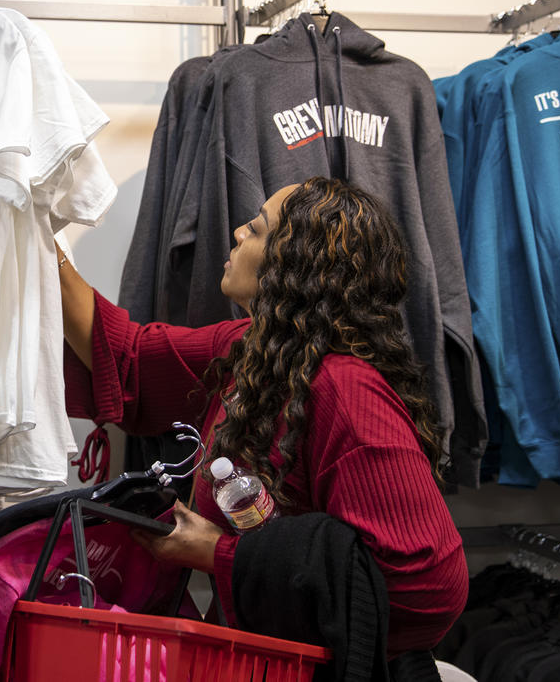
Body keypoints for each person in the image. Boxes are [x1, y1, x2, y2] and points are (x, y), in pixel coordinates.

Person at [59, 176, 468, 657]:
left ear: (295, 265)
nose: (236, 233)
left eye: (255, 228)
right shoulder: (253, 353)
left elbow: (429, 589)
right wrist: (38, 234)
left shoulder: (348, 393)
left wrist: (220, 553)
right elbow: (128, 356)